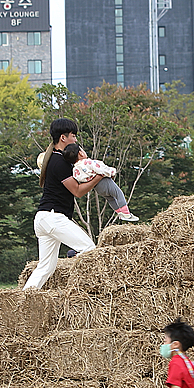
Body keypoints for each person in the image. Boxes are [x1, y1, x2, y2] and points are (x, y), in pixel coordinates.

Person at [23, 118, 103, 290]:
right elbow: (78, 191)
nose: (75, 140)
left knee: (46, 267)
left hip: (44, 218)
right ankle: (85, 289)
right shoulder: (59, 162)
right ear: (63, 138)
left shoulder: (57, 159)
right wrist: (99, 176)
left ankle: (24, 300)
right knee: (89, 248)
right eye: (73, 136)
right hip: (54, 218)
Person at [61, 143, 138, 221]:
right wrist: (112, 172)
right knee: (118, 193)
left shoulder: (75, 169)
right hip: (104, 182)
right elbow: (101, 169)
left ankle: (119, 212)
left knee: (110, 199)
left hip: (97, 188)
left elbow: (79, 179)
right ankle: (126, 214)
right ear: (81, 153)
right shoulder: (88, 162)